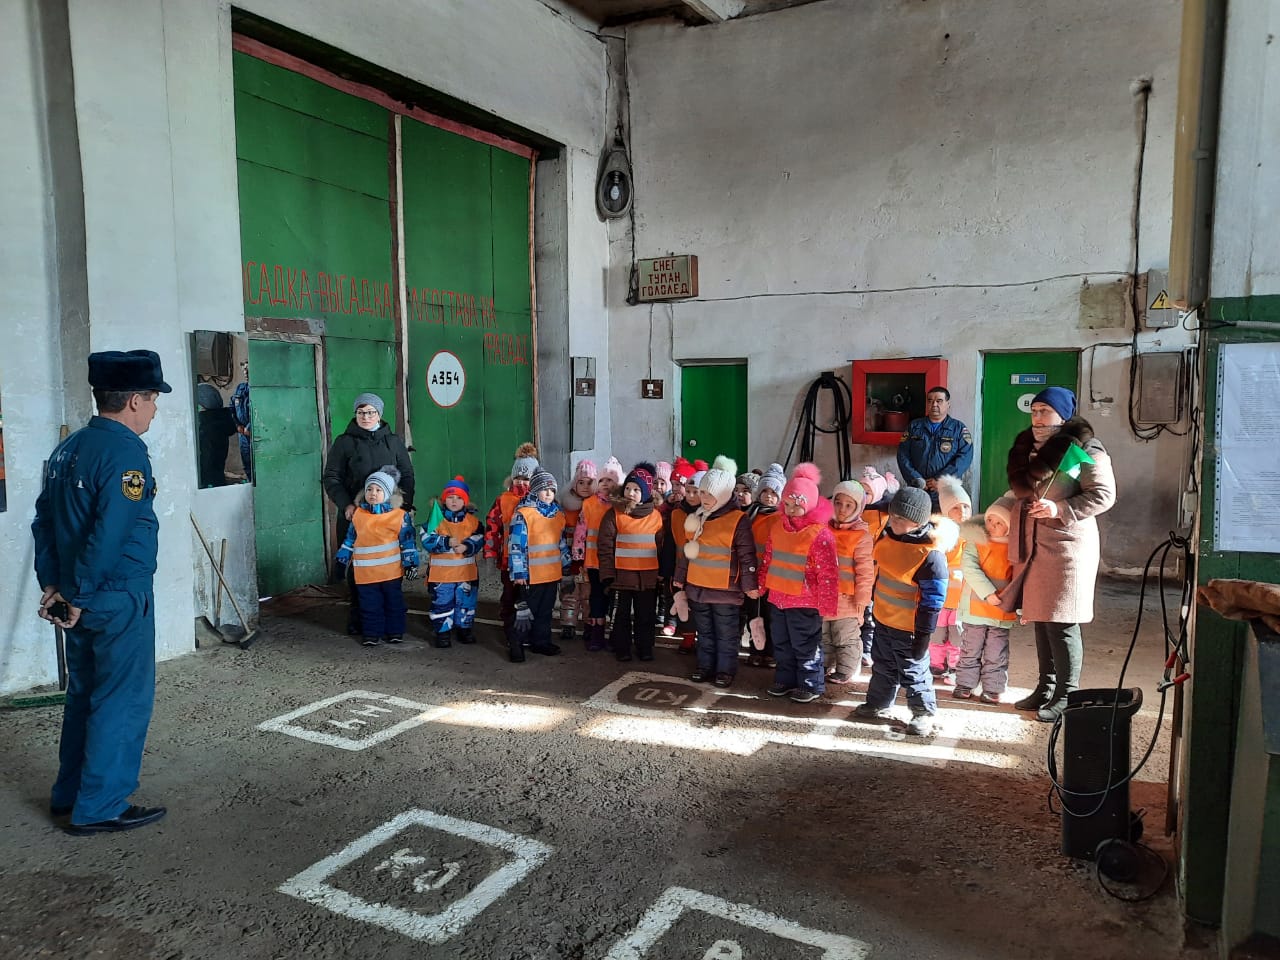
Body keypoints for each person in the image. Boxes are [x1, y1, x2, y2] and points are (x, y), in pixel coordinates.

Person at [31, 349, 172, 835]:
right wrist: (81, 593)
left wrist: (56, 585)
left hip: (78, 594)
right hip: (115, 596)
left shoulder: (68, 448)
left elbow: (43, 522)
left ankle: (70, 795)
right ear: (134, 400)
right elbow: (110, 533)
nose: (154, 409)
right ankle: (101, 805)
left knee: (84, 694)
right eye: (153, 399)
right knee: (121, 700)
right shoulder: (125, 453)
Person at [1005, 386, 1116, 721]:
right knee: (1041, 617)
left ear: (1063, 415)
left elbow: (1103, 495)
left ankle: (1067, 694)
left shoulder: (1086, 448)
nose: (1037, 417)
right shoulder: (1027, 447)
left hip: (1067, 547)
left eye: (1045, 411)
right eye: (1034, 410)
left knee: (1062, 621)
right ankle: (1046, 687)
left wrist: (1059, 508)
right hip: (1035, 544)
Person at [853, 486, 957, 737]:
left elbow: (933, 601)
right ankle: (878, 702)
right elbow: (880, 574)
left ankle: (923, 713)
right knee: (883, 665)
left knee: (913, 671)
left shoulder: (930, 556)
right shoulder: (886, 538)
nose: (895, 521)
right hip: (883, 620)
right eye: (894, 516)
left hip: (909, 629)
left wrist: (923, 635)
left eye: (902, 518)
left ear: (918, 522)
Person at [322, 393, 415, 635]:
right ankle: (359, 616)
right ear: (356, 414)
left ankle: (390, 618)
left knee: (390, 565)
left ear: (379, 414)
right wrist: (346, 505)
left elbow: (407, 474)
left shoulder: (393, 442)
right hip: (356, 517)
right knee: (359, 568)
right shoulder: (344, 443)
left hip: (388, 518)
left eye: (371, 412)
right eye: (361, 412)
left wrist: (404, 507)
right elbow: (331, 477)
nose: (366, 416)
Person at [673, 455, 758, 689]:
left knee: (726, 634)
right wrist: (680, 578)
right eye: (702, 493)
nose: (703, 498)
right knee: (705, 632)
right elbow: (688, 550)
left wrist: (750, 585)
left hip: (725, 591)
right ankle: (704, 666)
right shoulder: (696, 517)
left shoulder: (738, 520)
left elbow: (747, 555)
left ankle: (724, 670)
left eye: (709, 494)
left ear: (722, 495)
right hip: (698, 588)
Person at [760, 463, 840, 703]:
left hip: (805, 603)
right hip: (778, 599)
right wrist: (761, 585)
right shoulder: (777, 527)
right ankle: (785, 679)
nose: (792, 509)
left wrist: (827, 604)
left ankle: (810, 684)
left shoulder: (820, 534)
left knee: (805, 645)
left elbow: (829, 573)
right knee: (781, 643)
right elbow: (768, 559)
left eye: (798, 504)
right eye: (788, 503)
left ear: (811, 505)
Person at [335, 467, 419, 646]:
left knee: (393, 603)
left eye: (379, 490)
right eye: (369, 489)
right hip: (366, 574)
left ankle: (395, 632)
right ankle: (371, 634)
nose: (373, 493)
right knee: (369, 605)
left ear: (388, 494)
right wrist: (341, 561)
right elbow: (349, 540)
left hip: (391, 573)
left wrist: (411, 563)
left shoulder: (399, 516)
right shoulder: (358, 515)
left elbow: (407, 542)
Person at [953, 495, 1019, 704]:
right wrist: (988, 593)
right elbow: (969, 567)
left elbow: (1020, 578)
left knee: (996, 652)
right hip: (974, 609)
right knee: (970, 648)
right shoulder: (976, 541)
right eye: (990, 519)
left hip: (1001, 611)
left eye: (999, 523)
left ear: (1010, 527)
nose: (992, 525)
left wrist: (1021, 607)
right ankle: (965, 684)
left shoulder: (1016, 548)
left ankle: (993, 688)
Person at [598, 464, 664, 662]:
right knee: (620, 616)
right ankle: (622, 648)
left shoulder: (656, 516)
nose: (630, 493)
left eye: (636, 489)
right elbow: (605, 546)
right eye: (628, 488)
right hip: (621, 578)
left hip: (647, 579)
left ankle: (645, 648)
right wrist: (607, 575)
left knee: (646, 616)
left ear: (646, 493)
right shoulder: (614, 514)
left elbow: (661, 547)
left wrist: (662, 573)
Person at [507, 468, 571, 662]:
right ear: (534, 491)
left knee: (545, 611)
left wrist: (566, 565)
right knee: (524, 612)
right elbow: (516, 546)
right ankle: (516, 643)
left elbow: (560, 544)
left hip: (551, 574)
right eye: (544, 489)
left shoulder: (558, 515)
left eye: (552, 490)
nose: (549, 493)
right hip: (531, 575)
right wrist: (518, 573)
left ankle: (541, 642)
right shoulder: (523, 514)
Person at [484, 442, 539, 641]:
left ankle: (529, 632)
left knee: (531, 598)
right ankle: (510, 630)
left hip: (534, 561)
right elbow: (492, 527)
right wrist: (490, 554)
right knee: (509, 596)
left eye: (527, 478)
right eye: (518, 477)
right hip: (508, 561)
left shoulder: (541, 499)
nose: (521, 482)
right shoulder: (503, 500)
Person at [823, 478, 874, 684]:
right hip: (823, 596)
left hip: (848, 600)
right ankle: (825, 664)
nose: (842, 509)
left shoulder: (861, 536)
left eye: (848, 505)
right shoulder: (823, 528)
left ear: (858, 508)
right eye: (838, 503)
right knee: (824, 635)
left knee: (846, 637)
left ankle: (846, 669)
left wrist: (862, 599)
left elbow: (865, 571)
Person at [422, 475, 483, 647]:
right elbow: (426, 539)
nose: (454, 501)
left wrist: (467, 546)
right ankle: (443, 633)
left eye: (459, 498)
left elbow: (480, 537)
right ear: (444, 499)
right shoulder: (436, 520)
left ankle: (464, 629)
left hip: (466, 575)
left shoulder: (473, 522)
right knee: (442, 603)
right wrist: (445, 542)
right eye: (450, 497)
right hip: (442, 576)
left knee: (466, 603)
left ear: (465, 501)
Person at [574, 455, 624, 651]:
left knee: (613, 597)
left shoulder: (620, 505)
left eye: (609, 480)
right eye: (601, 480)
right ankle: (596, 634)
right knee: (596, 596)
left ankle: (613, 634)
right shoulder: (589, 503)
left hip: (615, 561)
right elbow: (581, 531)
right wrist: (578, 556)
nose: (604, 484)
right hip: (593, 560)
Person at [896, 386, 973, 511]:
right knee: (916, 520)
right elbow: (903, 454)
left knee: (942, 522)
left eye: (939, 401)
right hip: (918, 490)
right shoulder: (915, 426)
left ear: (948, 404)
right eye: (930, 401)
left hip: (945, 491)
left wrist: (941, 480)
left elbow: (964, 457)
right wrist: (916, 479)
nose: (934, 405)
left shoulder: (958, 429)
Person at [929, 475, 973, 685]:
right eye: (955, 508)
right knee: (936, 633)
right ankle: (936, 665)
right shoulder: (938, 534)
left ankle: (955, 667)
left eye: (965, 507)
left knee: (957, 635)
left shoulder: (974, 535)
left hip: (961, 599)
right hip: (940, 597)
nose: (962, 512)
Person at [743, 462, 786, 667]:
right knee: (753, 614)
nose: (769, 496)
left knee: (772, 616)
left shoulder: (782, 518)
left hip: (773, 576)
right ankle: (755, 650)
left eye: (774, 493)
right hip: (752, 572)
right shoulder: (750, 515)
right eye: (765, 491)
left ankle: (771, 652)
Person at [558, 459, 596, 644]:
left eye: (590, 482)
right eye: (581, 482)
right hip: (568, 558)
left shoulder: (597, 506)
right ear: (574, 484)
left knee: (588, 594)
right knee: (569, 592)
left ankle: (589, 625)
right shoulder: (566, 506)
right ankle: (568, 624)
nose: (585, 487)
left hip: (589, 559)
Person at [230, 362, 252, 482]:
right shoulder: (240, 388)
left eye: (248, 369)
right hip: (242, 434)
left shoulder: (259, 390)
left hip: (255, 433)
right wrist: (237, 425)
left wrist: (249, 427)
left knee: (258, 464)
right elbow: (232, 406)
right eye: (244, 370)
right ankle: (250, 485)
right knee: (247, 463)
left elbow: (261, 410)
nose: (246, 373)